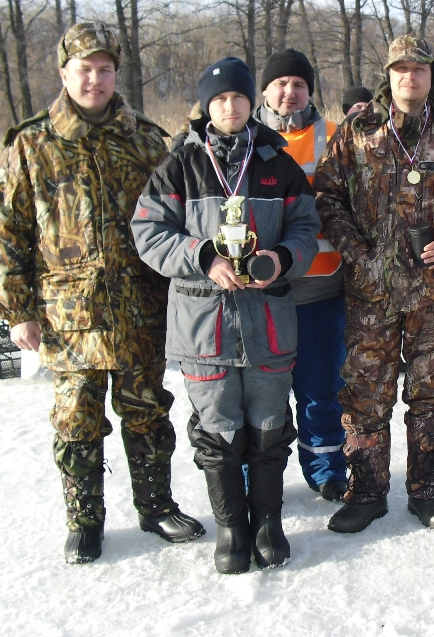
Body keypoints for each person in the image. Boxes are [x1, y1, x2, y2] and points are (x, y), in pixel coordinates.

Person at [0, 22, 204, 564]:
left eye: (105, 69)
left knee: (148, 411)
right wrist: (17, 310)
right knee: (76, 418)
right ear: (65, 73)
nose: (95, 80)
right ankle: (84, 521)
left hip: (139, 309)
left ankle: (155, 506)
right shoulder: (33, 144)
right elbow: (6, 232)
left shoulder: (147, 140)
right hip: (70, 315)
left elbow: (177, 221)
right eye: (84, 69)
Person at [131, 56, 320, 573]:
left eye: (239, 97)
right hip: (202, 323)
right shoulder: (179, 166)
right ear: (207, 106)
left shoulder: (277, 165)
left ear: (250, 102)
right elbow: (148, 232)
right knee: (218, 428)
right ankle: (231, 527)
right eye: (220, 100)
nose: (231, 107)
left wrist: (281, 259)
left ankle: (267, 524)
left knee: (267, 423)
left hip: (268, 319)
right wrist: (202, 257)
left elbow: (306, 228)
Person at [315, 35, 434, 534]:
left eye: (419, 68)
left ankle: (426, 492)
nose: (410, 77)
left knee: (431, 393)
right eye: (400, 69)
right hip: (371, 294)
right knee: (365, 393)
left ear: (431, 74)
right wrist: (358, 255)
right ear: (388, 74)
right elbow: (328, 196)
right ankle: (366, 492)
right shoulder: (357, 131)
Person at [255, 48, 347, 501]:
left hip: (321, 290)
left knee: (320, 388)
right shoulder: (244, 141)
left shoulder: (334, 137)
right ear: (265, 91)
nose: (289, 93)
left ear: (310, 91)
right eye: (280, 84)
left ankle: (327, 467)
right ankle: (259, 476)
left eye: (298, 85)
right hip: (262, 295)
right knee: (263, 396)